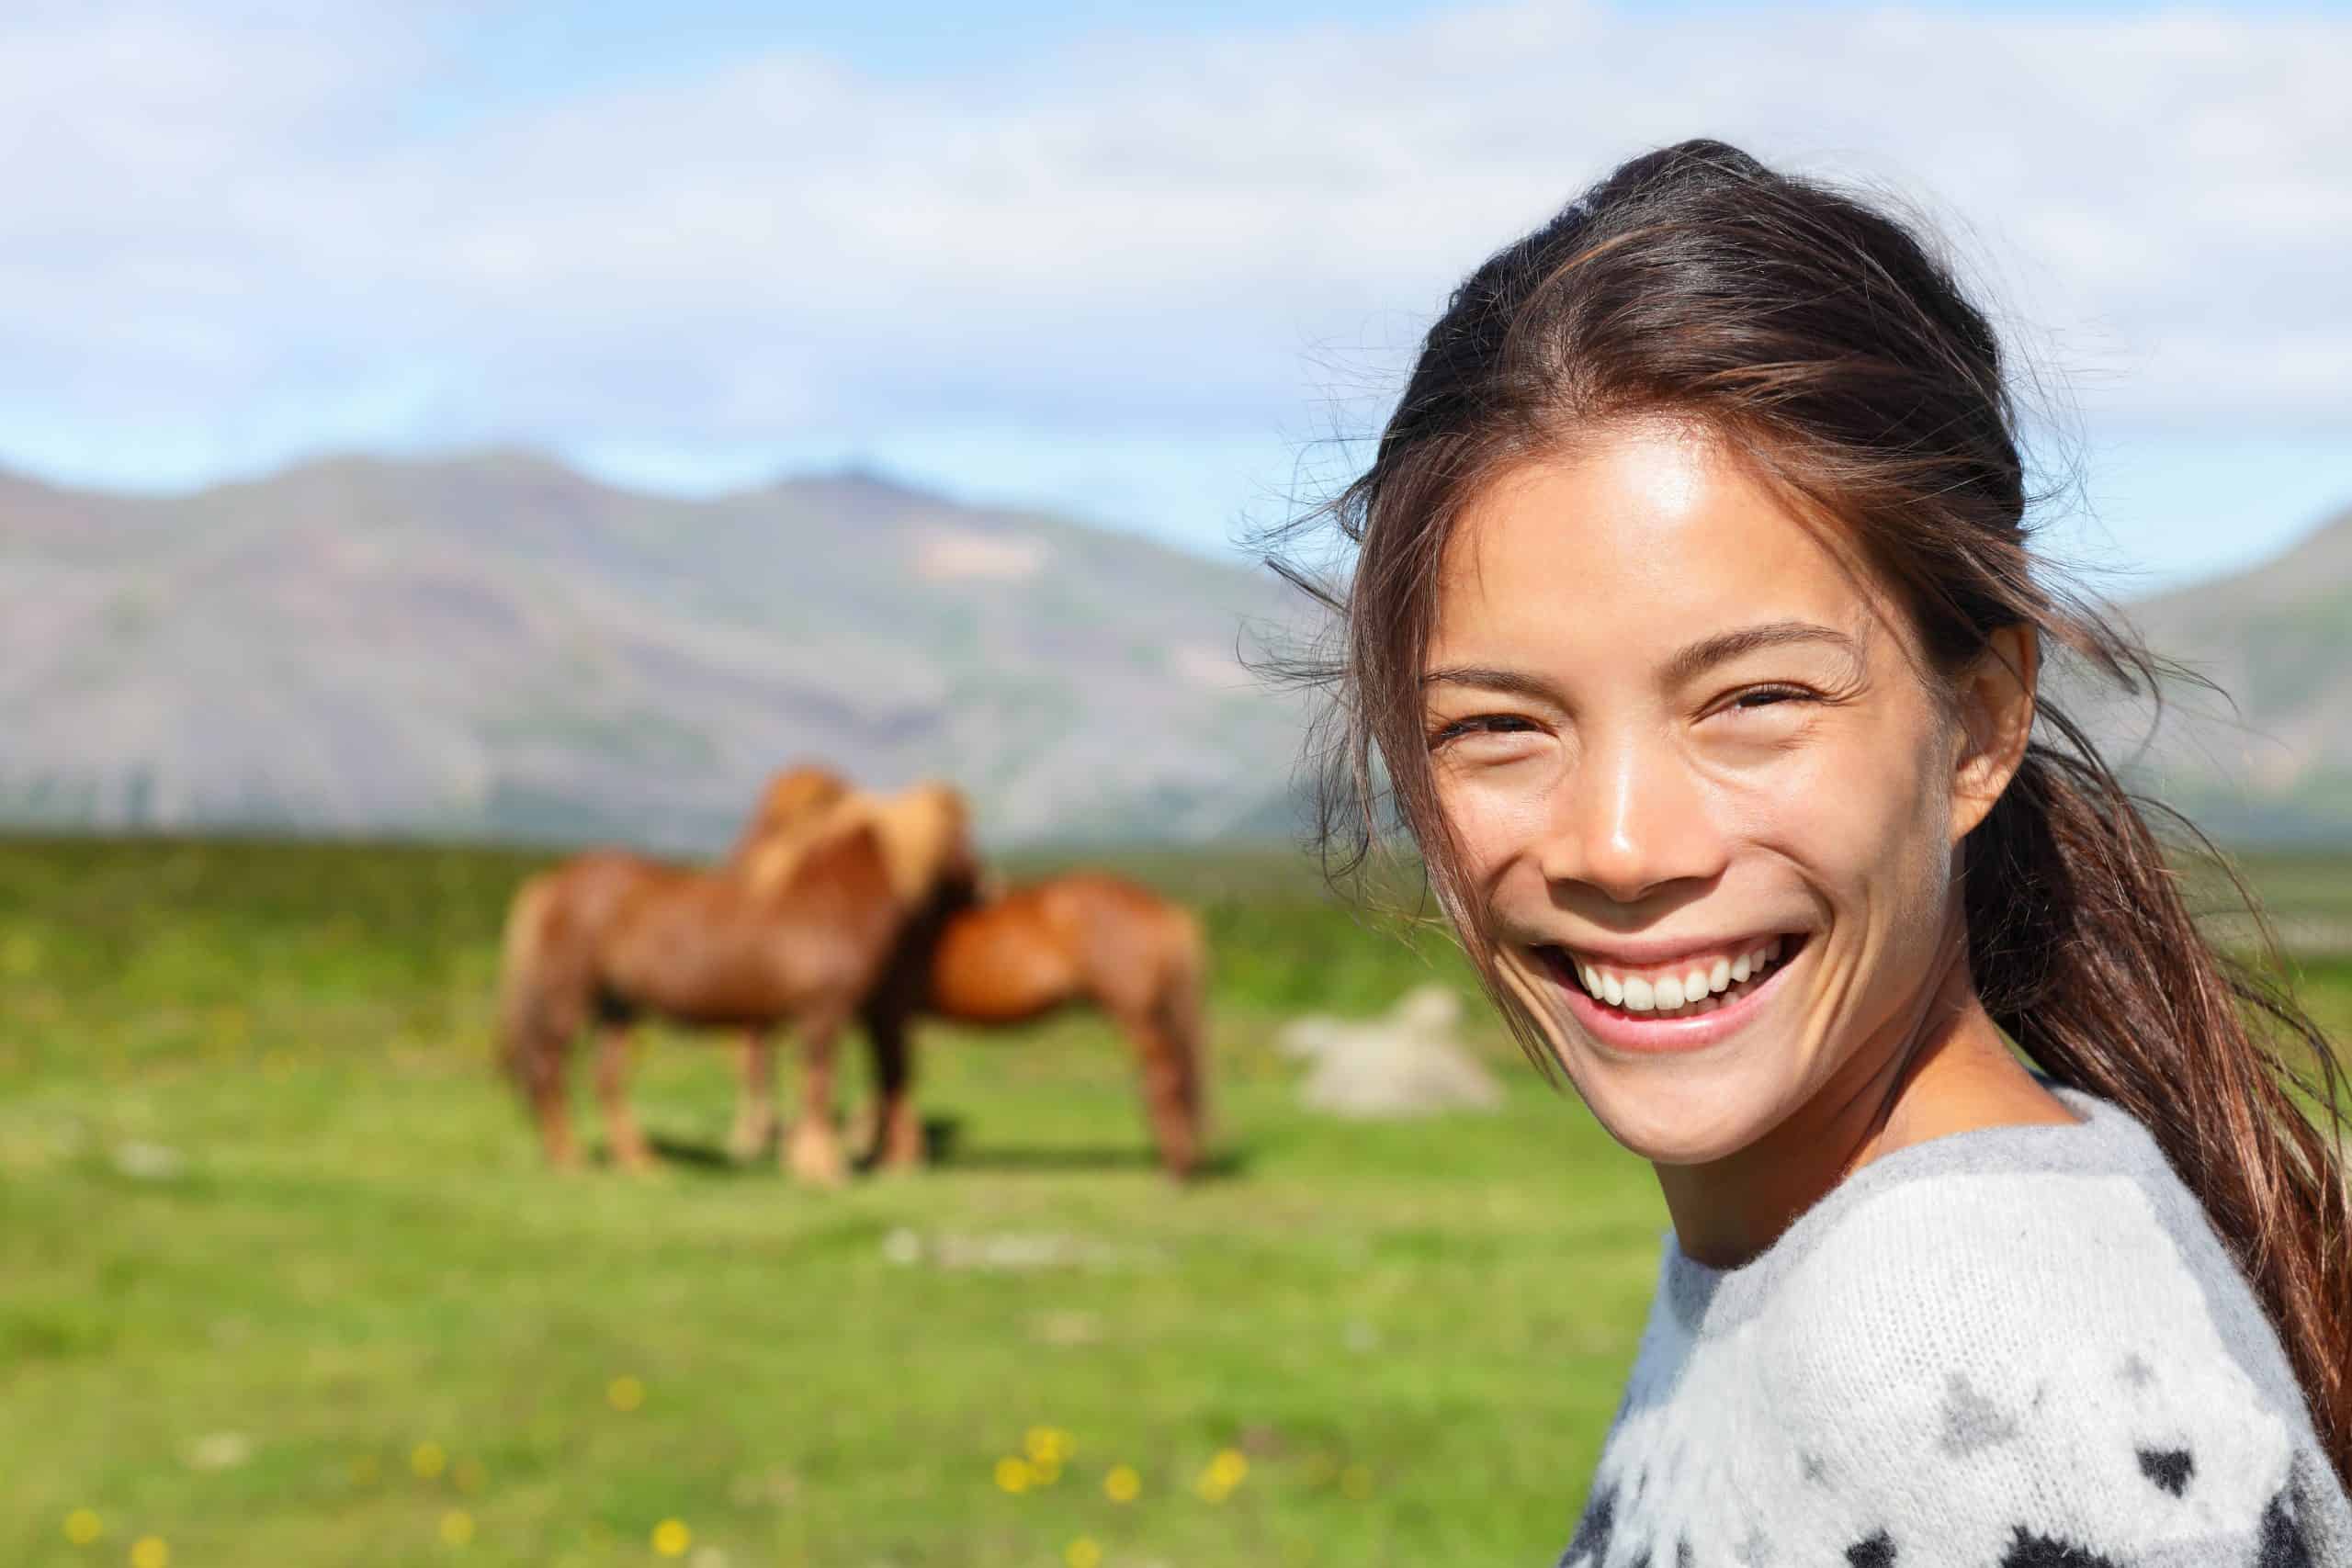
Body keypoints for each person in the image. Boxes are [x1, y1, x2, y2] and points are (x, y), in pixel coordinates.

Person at [1273, 140, 2351, 1563]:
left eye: (1755, 703)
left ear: (1978, 721)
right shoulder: (1837, 1255)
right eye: (1497, 726)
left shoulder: (1963, 1380)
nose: (1618, 843)